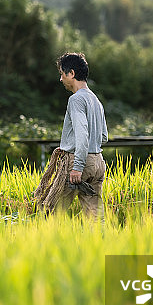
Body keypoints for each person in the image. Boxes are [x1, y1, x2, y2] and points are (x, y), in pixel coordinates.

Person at [52, 52, 108, 219]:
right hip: (97, 162)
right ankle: (101, 244)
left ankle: (46, 244)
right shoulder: (95, 100)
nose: (61, 79)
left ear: (72, 74)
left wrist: (77, 166)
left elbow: (82, 135)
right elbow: (103, 136)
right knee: (95, 217)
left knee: (52, 210)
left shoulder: (76, 99)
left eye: (62, 74)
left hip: (78, 162)